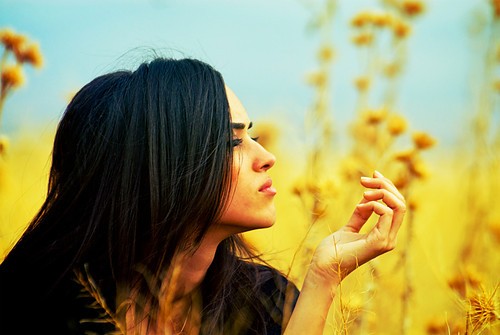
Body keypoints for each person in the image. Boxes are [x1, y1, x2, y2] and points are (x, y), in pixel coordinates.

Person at [0, 57, 406, 335]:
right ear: (162, 163)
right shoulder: (41, 306)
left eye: (255, 136)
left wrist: (322, 279)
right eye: (234, 143)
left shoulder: (264, 302)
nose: (267, 158)